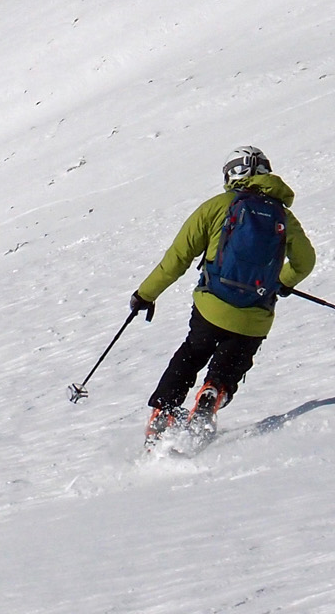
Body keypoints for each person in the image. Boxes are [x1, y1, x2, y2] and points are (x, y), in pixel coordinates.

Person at [130, 146, 315, 447]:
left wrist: (145, 295)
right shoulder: (283, 216)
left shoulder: (218, 206)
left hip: (212, 304)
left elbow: (178, 257)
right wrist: (281, 283)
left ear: (231, 174)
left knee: (192, 353)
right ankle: (213, 390)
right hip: (255, 314)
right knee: (230, 364)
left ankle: (164, 411)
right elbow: (305, 262)